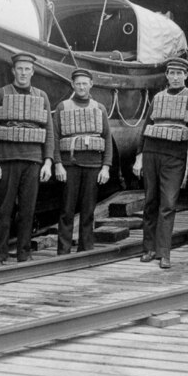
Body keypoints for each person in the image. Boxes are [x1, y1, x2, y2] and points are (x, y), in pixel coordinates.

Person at [131, 57, 188, 269]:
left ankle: (164, 252)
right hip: (152, 152)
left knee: (168, 204)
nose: (176, 77)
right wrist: (139, 156)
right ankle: (148, 249)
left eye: (180, 73)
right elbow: (146, 127)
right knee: (151, 202)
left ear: (186, 76)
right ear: (167, 75)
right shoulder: (158, 97)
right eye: (172, 73)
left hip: (175, 156)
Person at [0, 52, 55, 265]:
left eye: (27, 69)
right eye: (20, 69)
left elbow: (49, 131)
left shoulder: (41, 96)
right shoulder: (0, 94)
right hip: (6, 161)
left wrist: (48, 161)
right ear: (13, 70)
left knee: (28, 210)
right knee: (3, 210)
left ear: (32, 72)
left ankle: (24, 254)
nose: (23, 73)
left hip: (33, 161)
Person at [52, 68, 113, 255]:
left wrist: (106, 167)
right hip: (70, 165)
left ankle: (86, 250)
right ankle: (63, 251)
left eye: (84, 83)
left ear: (91, 85)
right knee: (67, 210)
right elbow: (54, 137)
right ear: (72, 85)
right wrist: (58, 164)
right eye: (77, 83)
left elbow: (107, 138)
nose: (81, 87)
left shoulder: (99, 108)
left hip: (93, 166)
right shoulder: (63, 107)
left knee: (88, 211)